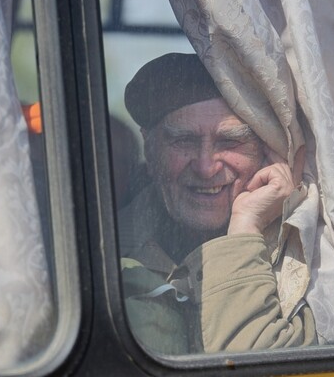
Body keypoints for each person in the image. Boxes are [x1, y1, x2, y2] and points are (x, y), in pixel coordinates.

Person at [118, 53, 316, 354]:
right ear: (150, 148)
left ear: (269, 150)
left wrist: (246, 224)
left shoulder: (314, 253)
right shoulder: (103, 251)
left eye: (230, 142)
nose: (206, 167)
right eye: (183, 141)